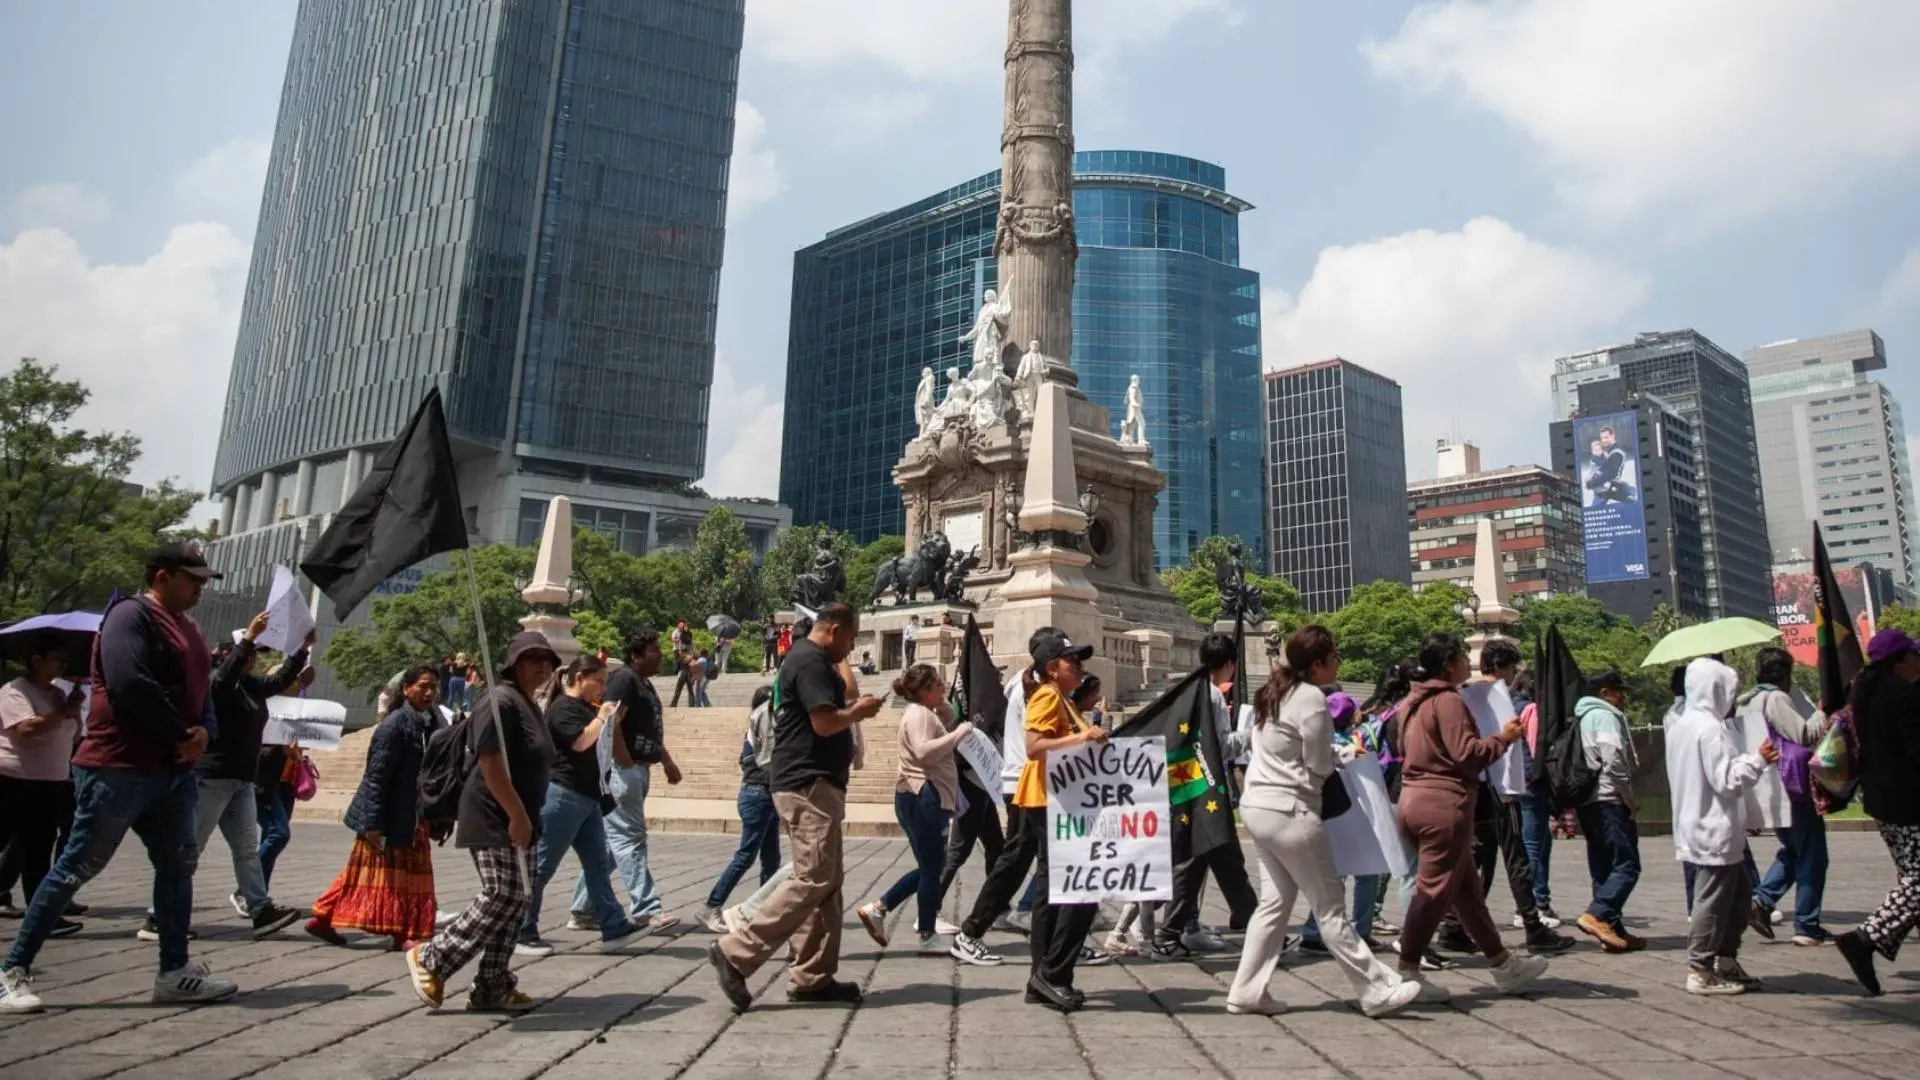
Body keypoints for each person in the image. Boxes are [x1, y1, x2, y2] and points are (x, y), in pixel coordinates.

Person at [1, 545, 235, 1015]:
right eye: (193, 579)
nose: (200, 588)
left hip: (172, 771)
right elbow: (130, 685)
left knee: (177, 866)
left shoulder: (189, 628)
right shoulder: (130, 617)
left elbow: (202, 688)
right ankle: (11, 971)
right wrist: (180, 732)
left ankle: (174, 972)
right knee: (78, 865)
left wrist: (203, 732)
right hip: (119, 766)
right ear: (163, 576)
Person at [1228, 626, 1421, 1019]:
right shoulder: (1312, 698)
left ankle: (1247, 991)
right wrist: (1339, 758)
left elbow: (1287, 748)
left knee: (1274, 904)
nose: (1338, 662)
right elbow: (1315, 764)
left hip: (1258, 806)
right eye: (1334, 656)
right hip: (1291, 810)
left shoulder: (1272, 692)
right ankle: (1375, 988)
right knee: (1330, 907)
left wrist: (1331, 755)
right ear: (1317, 664)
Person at [710, 603, 881, 1013]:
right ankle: (737, 951)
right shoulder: (809, 660)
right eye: (851, 637)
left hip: (814, 782)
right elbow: (824, 722)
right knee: (813, 877)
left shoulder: (810, 658)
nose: (852, 646)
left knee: (828, 882)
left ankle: (812, 977)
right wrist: (858, 712)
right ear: (836, 630)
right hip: (809, 783)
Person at [404, 632, 560, 1013]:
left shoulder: (530, 704)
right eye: (533, 658)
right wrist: (517, 814)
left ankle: (493, 983)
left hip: (524, 815)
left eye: (547, 660)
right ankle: (433, 957)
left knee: (519, 899)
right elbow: (489, 761)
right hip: (494, 813)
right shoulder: (498, 700)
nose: (542, 666)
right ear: (514, 663)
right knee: (502, 893)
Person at [1391, 632, 1547, 1000]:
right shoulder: (1447, 700)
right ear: (1449, 664)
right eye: (1462, 656)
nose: (1468, 662)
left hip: (1413, 799)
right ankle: (1407, 970)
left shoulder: (1411, 702)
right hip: (1443, 804)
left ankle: (1502, 963)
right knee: (1431, 892)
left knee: (1465, 891)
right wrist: (1505, 737)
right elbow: (1468, 754)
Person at [150, 614, 309, 942]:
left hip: (241, 780)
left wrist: (301, 650)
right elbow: (223, 681)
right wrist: (248, 637)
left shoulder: (251, 686)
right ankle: (158, 917)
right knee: (190, 847)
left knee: (247, 848)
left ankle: (259, 909)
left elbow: (279, 683)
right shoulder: (212, 684)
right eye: (249, 654)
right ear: (230, 655)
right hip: (211, 778)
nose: (254, 659)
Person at [1445, 642, 1573, 957]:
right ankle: (1531, 923)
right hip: (1500, 787)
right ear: (1502, 667)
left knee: (1480, 859)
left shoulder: (1465, 697)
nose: (1514, 674)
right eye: (1512, 668)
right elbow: (1511, 748)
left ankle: (1454, 925)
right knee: (1514, 858)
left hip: (1477, 786)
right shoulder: (1499, 697)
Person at [308, 664, 444, 950]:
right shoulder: (395, 726)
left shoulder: (430, 722)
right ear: (406, 689)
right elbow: (375, 777)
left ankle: (323, 917)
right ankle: (403, 931)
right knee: (393, 875)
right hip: (390, 815)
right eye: (422, 685)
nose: (428, 692)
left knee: (364, 873)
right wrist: (372, 823)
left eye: (433, 687)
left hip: (413, 814)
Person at [516, 654, 643, 956]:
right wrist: (603, 719)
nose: (602, 687)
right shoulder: (564, 708)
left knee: (597, 865)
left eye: (605, 682)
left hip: (589, 796)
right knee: (543, 865)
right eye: (597, 681)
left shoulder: (588, 708)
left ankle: (613, 924)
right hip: (564, 794)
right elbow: (580, 743)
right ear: (578, 678)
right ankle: (523, 927)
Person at [1666, 656, 1778, 995]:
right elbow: (1727, 781)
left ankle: (1726, 958)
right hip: (1714, 824)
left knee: (1739, 896)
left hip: (1695, 820)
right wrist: (1757, 760)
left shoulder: (1680, 724)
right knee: (1713, 900)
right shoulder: (1710, 729)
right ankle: (1700, 968)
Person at [948, 629, 1058, 967]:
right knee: (1026, 862)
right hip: (1028, 783)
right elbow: (1034, 744)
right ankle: (975, 930)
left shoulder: (1019, 687)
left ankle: (1052, 938)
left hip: (1024, 782)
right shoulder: (1034, 692)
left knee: (1021, 861)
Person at [1015, 632, 1107, 1011]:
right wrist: (1083, 738)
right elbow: (1034, 747)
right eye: (1074, 662)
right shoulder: (1048, 696)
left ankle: (1044, 975)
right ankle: (1051, 974)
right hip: (1046, 800)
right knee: (1076, 889)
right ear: (1052, 669)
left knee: (1053, 891)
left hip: (1050, 798)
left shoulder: (1061, 700)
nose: (1081, 667)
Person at [1153, 634, 1259, 960]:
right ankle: (1259, 931)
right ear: (1228, 664)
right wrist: (1253, 735)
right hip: (1209, 788)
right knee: (1221, 861)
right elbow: (1223, 746)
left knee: (1202, 862)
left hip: (1187, 786)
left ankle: (1171, 934)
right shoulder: (1212, 696)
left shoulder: (1187, 690)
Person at [856, 664, 973, 953]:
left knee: (931, 865)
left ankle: (881, 908)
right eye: (937, 685)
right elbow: (922, 750)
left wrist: (942, 703)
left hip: (919, 796)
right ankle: (924, 931)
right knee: (933, 867)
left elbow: (949, 715)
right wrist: (958, 735)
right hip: (923, 796)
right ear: (924, 690)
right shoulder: (919, 715)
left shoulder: (924, 712)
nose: (942, 688)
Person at [571, 632, 681, 934]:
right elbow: (611, 722)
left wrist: (665, 759)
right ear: (636, 656)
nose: (660, 655)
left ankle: (583, 907)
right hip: (624, 770)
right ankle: (647, 909)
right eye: (654, 651)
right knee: (631, 838)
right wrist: (624, 762)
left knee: (611, 845)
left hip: (639, 767)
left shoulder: (644, 684)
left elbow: (649, 728)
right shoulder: (624, 680)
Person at [1835, 629, 1920, 996]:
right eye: (1914, 655)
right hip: (1908, 801)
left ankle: (1869, 941)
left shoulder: (1863, 696)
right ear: (1900, 660)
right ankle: (1864, 938)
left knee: (1912, 878)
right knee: (1918, 882)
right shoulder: (1903, 695)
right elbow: (1915, 752)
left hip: (1883, 801)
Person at [1741, 647, 1832, 946]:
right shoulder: (1775, 698)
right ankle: (1806, 924)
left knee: (1794, 850)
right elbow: (1804, 734)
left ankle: (1762, 902)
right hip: (1792, 786)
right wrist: (1822, 710)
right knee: (1813, 853)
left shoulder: (1746, 699)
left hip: (1767, 785)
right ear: (1785, 673)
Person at [0, 634, 87, 940]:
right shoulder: (15, 691)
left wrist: (72, 710)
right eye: (57, 658)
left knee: (38, 853)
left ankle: (42, 918)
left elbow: (71, 736)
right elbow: (25, 728)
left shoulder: (57, 695)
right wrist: (63, 713)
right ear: (35, 660)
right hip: (13, 780)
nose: (64, 664)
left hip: (48, 782)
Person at [1299, 692, 1384, 954]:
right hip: (1355, 815)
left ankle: (1314, 931)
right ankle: (1360, 929)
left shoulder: (1321, 741)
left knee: (1333, 875)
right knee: (1367, 873)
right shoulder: (1352, 744)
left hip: (1328, 815)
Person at [697, 686, 783, 932]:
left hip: (764, 795)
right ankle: (711, 906)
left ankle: (763, 911)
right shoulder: (761, 726)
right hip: (758, 795)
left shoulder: (758, 729)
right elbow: (756, 764)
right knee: (745, 856)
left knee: (771, 859)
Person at [1569, 668, 1642, 952]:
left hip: (1587, 800)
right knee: (1627, 865)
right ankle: (1598, 914)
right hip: (1609, 798)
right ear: (1604, 693)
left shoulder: (1581, 716)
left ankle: (1613, 930)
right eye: (1617, 690)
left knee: (1602, 868)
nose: (1622, 696)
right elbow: (1613, 761)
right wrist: (1628, 798)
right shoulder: (1605, 715)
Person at [1510, 669, 1558, 924]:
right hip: (1531, 782)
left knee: (1531, 842)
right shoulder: (1532, 710)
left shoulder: (1508, 706)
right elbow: (1534, 748)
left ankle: (1532, 902)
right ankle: (1535, 904)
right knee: (1535, 843)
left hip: (1513, 783)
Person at [670, 623, 695, 708]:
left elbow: (691, 643)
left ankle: (691, 705)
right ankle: (673, 704)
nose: (686, 628)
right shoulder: (681, 635)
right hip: (685, 671)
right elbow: (680, 643)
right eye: (685, 627)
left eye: (687, 627)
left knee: (689, 690)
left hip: (687, 672)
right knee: (679, 689)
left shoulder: (690, 635)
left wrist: (691, 653)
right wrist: (681, 651)